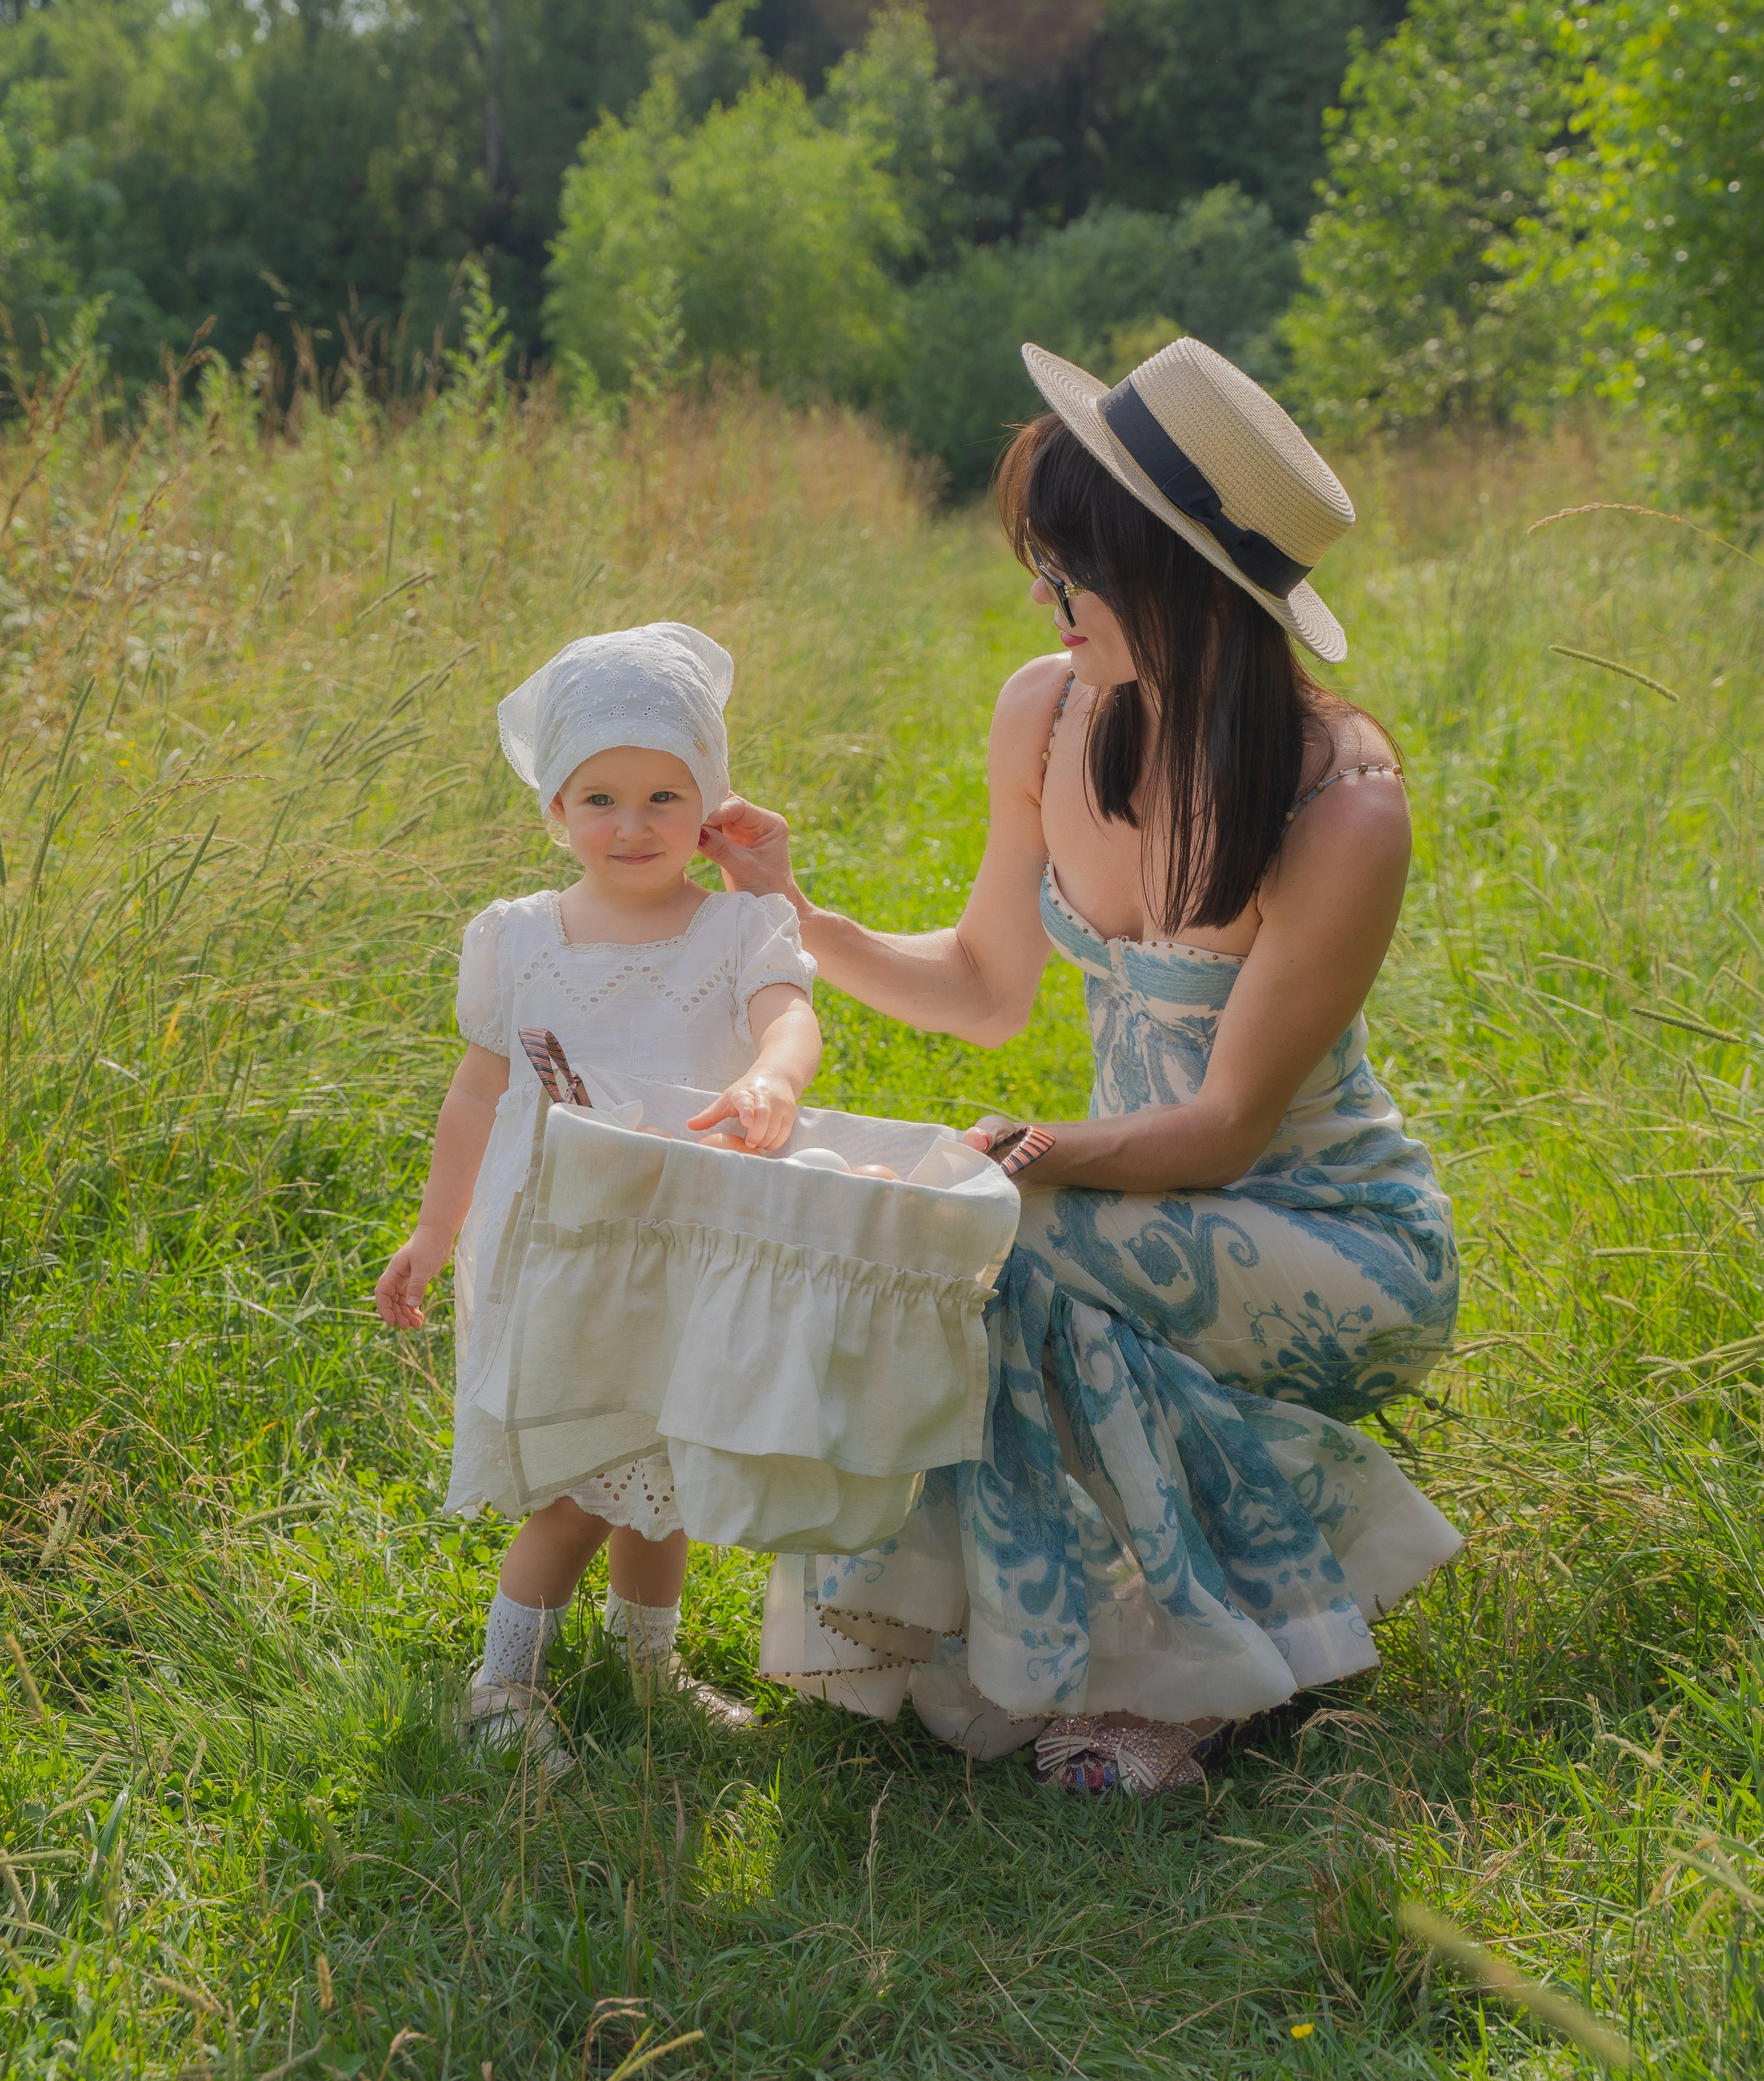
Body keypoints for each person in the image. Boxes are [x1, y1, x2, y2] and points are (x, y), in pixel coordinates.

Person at [711, 336, 1462, 1795]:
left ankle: (1174, 1680)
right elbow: (990, 987)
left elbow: (1225, 1129)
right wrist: (794, 919)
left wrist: (1031, 1157)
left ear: (1181, 579)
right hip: (1137, 1215)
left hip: (1328, 1241)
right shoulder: (1048, 711)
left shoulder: (1338, 802)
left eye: (1070, 570)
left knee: (1004, 1240)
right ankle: (1035, 1641)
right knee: (978, 1237)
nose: (1041, 599)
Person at [375, 622, 821, 1762]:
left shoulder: (736, 926)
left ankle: (646, 1660)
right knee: (579, 1480)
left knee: (665, 1468)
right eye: (601, 799)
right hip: (562, 1248)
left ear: (712, 806)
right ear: (554, 814)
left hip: (686, 1242)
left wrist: (773, 1075)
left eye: (667, 798)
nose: (633, 826)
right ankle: (502, 1682)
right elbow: (478, 1093)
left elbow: (789, 1014)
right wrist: (437, 1228)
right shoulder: (522, 938)